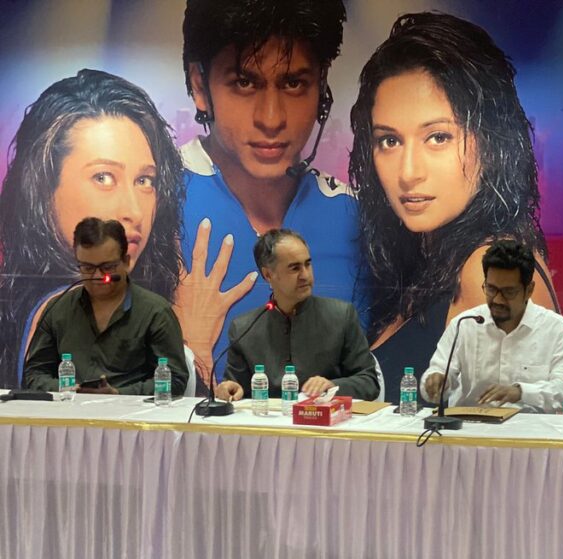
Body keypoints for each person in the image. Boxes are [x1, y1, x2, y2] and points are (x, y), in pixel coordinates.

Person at [348, 11, 559, 399]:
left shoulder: (485, 268)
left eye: (438, 137)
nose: (408, 172)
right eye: (389, 141)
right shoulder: (432, 259)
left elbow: (500, 425)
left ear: (491, 141)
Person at [179, 0, 366, 385]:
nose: (271, 118)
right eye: (244, 82)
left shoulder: (355, 217)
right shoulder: (148, 199)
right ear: (199, 85)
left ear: (321, 85)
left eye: (293, 83)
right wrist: (187, 350)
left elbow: (371, 377)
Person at [0, 69, 184, 389]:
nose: (134, 211)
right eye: (103, 177)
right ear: (44, 187)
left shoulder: (147, 305)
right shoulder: (59, 306)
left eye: (145, 180)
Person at [22, 218, 188, 396]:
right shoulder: (58, 309)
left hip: (131, 410)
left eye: (107, 267)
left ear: (126, 262)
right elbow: (34, 374)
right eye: (88, 268)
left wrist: (118, 394)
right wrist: (68, 390)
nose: (98, 276)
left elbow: (175, 379)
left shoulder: (155, 312)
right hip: (70, 407)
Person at [214, 229, 378, 402]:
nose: (305, 275)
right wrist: (229, 389)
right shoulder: (244, 328)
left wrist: (332, 386)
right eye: (295, 268)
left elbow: (369, 382)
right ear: (268, 274)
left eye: (308, 264)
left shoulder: (341, 316)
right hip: (268, 418)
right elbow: (235, 387)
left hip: (325, 416)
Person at [421, 241, 563, 413]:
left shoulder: (555, 328)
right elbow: (439, 370)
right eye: (491, 289)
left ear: (529, 290)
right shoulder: (465, 324)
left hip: (530, 426)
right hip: (472, 424)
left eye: (508, 292)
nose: (497, 300)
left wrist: (521, 392)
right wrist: (435, 381)